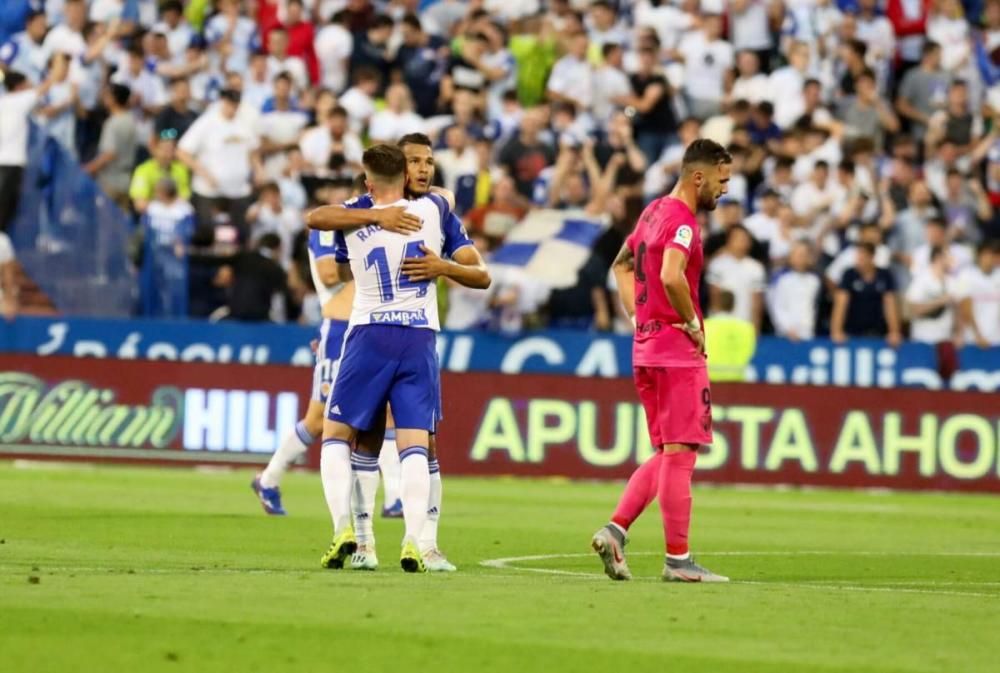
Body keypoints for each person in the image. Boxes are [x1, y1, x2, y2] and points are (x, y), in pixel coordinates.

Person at [306, 144, 490, 573]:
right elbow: (450, 204)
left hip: (369, 334)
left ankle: (344, 531)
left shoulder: (353, 213)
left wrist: (378, 220)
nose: (424, 170)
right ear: (402, 171)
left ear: (369, 180)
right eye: (416, 163)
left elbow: (317, 220)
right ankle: (410, 541)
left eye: (429, 162)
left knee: (337, 435)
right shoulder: (435, 208)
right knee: (412, 444)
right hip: (418, 338)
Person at [591, 138, 732, 583]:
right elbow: (672, 274)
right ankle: (678, 560)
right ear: (698, 176)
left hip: (646, 350)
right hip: (676, 352)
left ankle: (615, 530)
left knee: (667, 453)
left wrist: (637, 314)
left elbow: (621, 263)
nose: (723, 189)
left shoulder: (652, 211)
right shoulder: (684, 222)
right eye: (721, 180)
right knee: (683, 452)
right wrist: (690, 322)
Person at [0, 64, 66, 230]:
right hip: (11, 164)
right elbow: (50, 82)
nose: (30, 86)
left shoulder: (4, 102)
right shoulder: (19, 100)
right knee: (5, 211)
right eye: (27, 83)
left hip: (5, 161)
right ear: (19, 87)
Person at [139, 178, 196, 318]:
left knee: (174, 287)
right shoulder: (153, 208)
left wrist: (179, 241)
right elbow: (144, 229)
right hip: (154, 253)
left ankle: (173, 316)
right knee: (155, 286)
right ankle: (152, 315)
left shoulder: (184, 209)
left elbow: (189, 229)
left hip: (174, 255)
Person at [830, 242, 904, 345]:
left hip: (878, 333)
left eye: (862, 257)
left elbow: (890, 304)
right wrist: (836, 331)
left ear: (872, 257)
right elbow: (841, 303)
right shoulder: (849, 274)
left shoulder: (884, 275)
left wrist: (894, 331)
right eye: (858, 256)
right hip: (852, 334)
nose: (859, 260)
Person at [84, 83, 138, 211]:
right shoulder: (131, 120)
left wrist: (89, 169)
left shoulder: (113, 123)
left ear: (114, 99)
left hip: (110, 181)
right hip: (126, 180)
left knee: (105, 223)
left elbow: (109, 154)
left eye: (107, 96)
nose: (104, 99)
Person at [703, 289, 757, 382]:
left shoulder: (705, 325)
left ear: (717, 304)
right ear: (733, 305)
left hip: (711, 378)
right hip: (738, 378)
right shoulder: (747, 328)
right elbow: (750, 352)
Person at [956, 242, 1000, 347]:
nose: (992, 258)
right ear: (980, 255)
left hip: (996, 339)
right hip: (973, 340)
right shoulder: (966, 275)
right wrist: (978, 336)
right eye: (989, 254)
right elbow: (964, 307)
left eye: (995, 254)